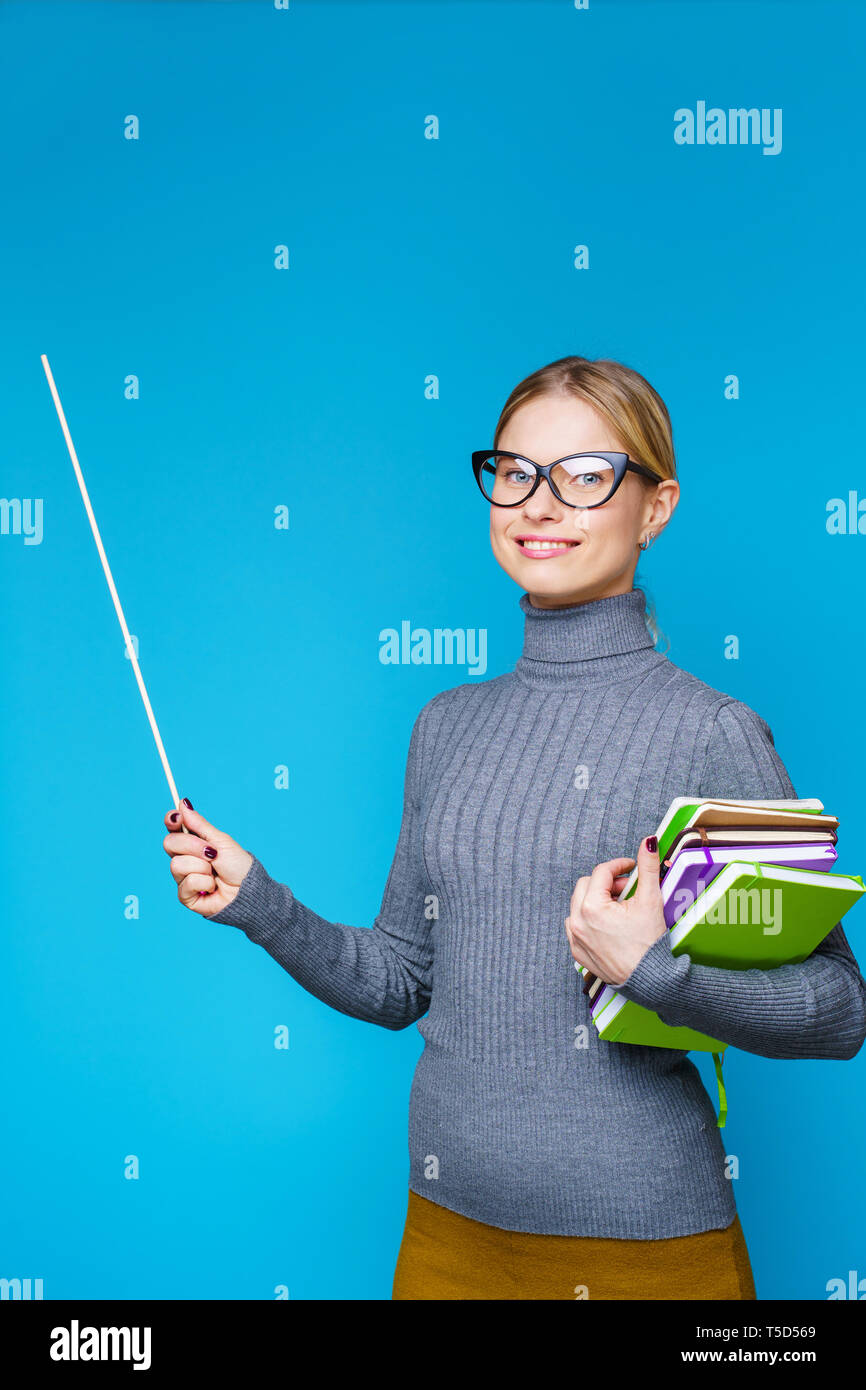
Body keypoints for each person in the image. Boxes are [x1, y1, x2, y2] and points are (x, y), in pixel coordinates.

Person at [162, 355, 866, 1300]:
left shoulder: (711, 730)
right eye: (516, 472)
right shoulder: (445, 726)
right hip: (448, 1238)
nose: (540, 504)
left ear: (655, 508)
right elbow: (402, 980)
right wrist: (258, 902)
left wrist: (650, 970)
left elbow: (841, 1010)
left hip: (645, 1253)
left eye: (586, 476)